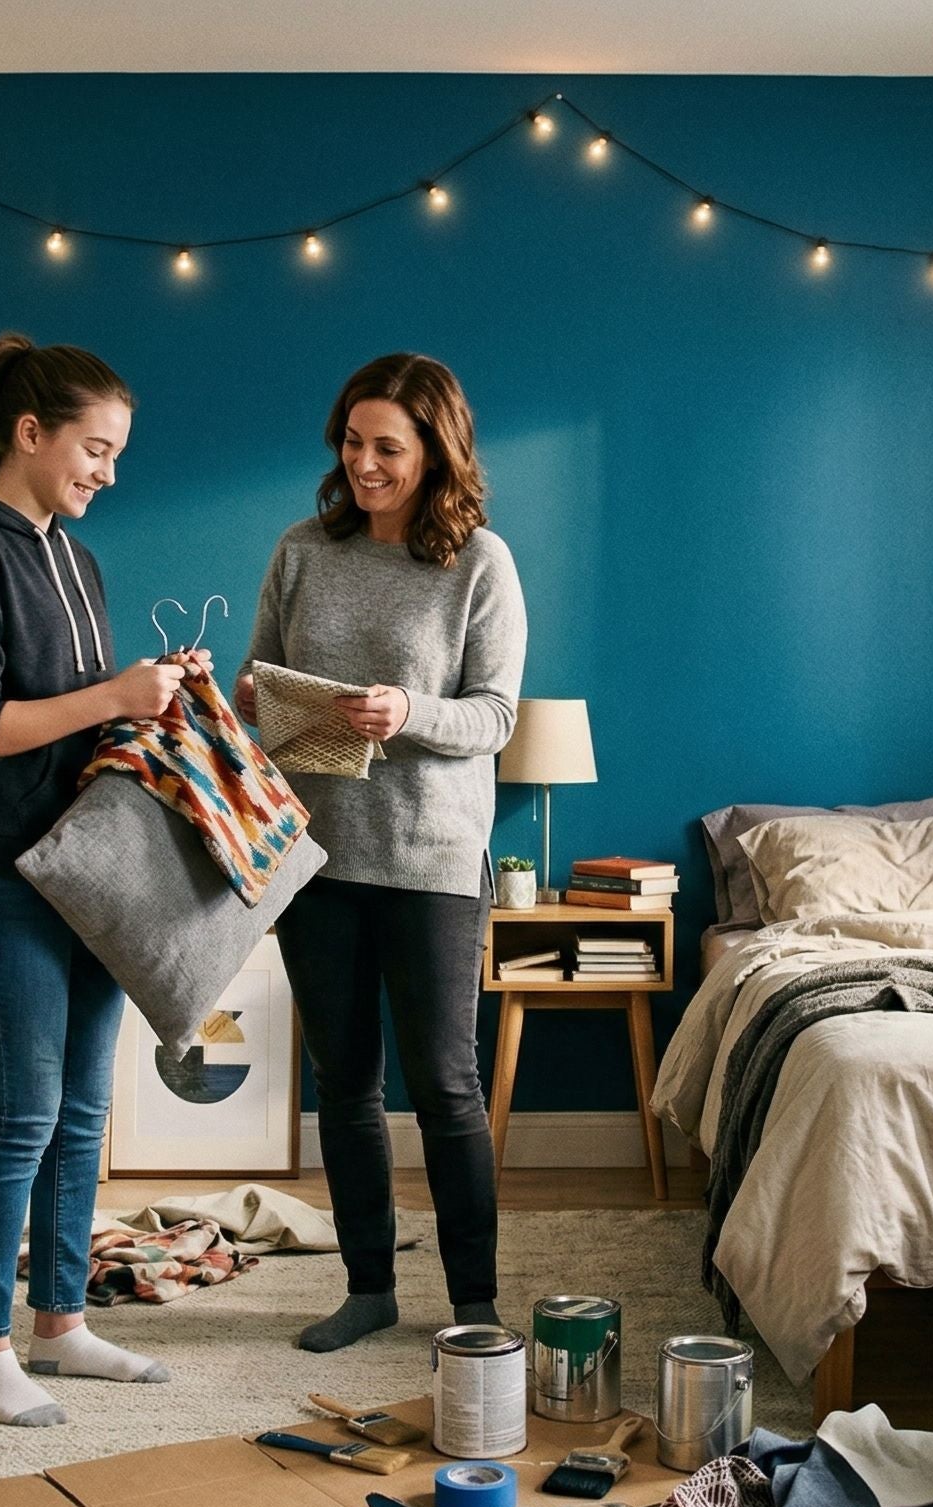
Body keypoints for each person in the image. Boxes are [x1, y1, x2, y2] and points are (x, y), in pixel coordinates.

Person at [0, 333, 205, 1424]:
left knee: (82, 1110)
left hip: (87, 870)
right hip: (2, 870)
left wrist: (156, 693)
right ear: (29, 434)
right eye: (95, 448)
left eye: (117, 454)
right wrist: (114, 696)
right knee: (24, 1111)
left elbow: (83, 715)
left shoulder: (72, 557)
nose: (108, 473)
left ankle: (62, 1323)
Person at [237, 353, 527, 1352]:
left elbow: (495, 715)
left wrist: (406, 709)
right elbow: (257, 682)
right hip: (315, 858)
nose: (364, 464)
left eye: (387, 448)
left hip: (433, 861)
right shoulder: (303, 551)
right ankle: (368, 1289)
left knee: (446, 1086)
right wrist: (244, 699)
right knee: (344, 1081)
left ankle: (475, 1302)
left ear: (435, 451)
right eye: (352, 444)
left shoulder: (477, 562)